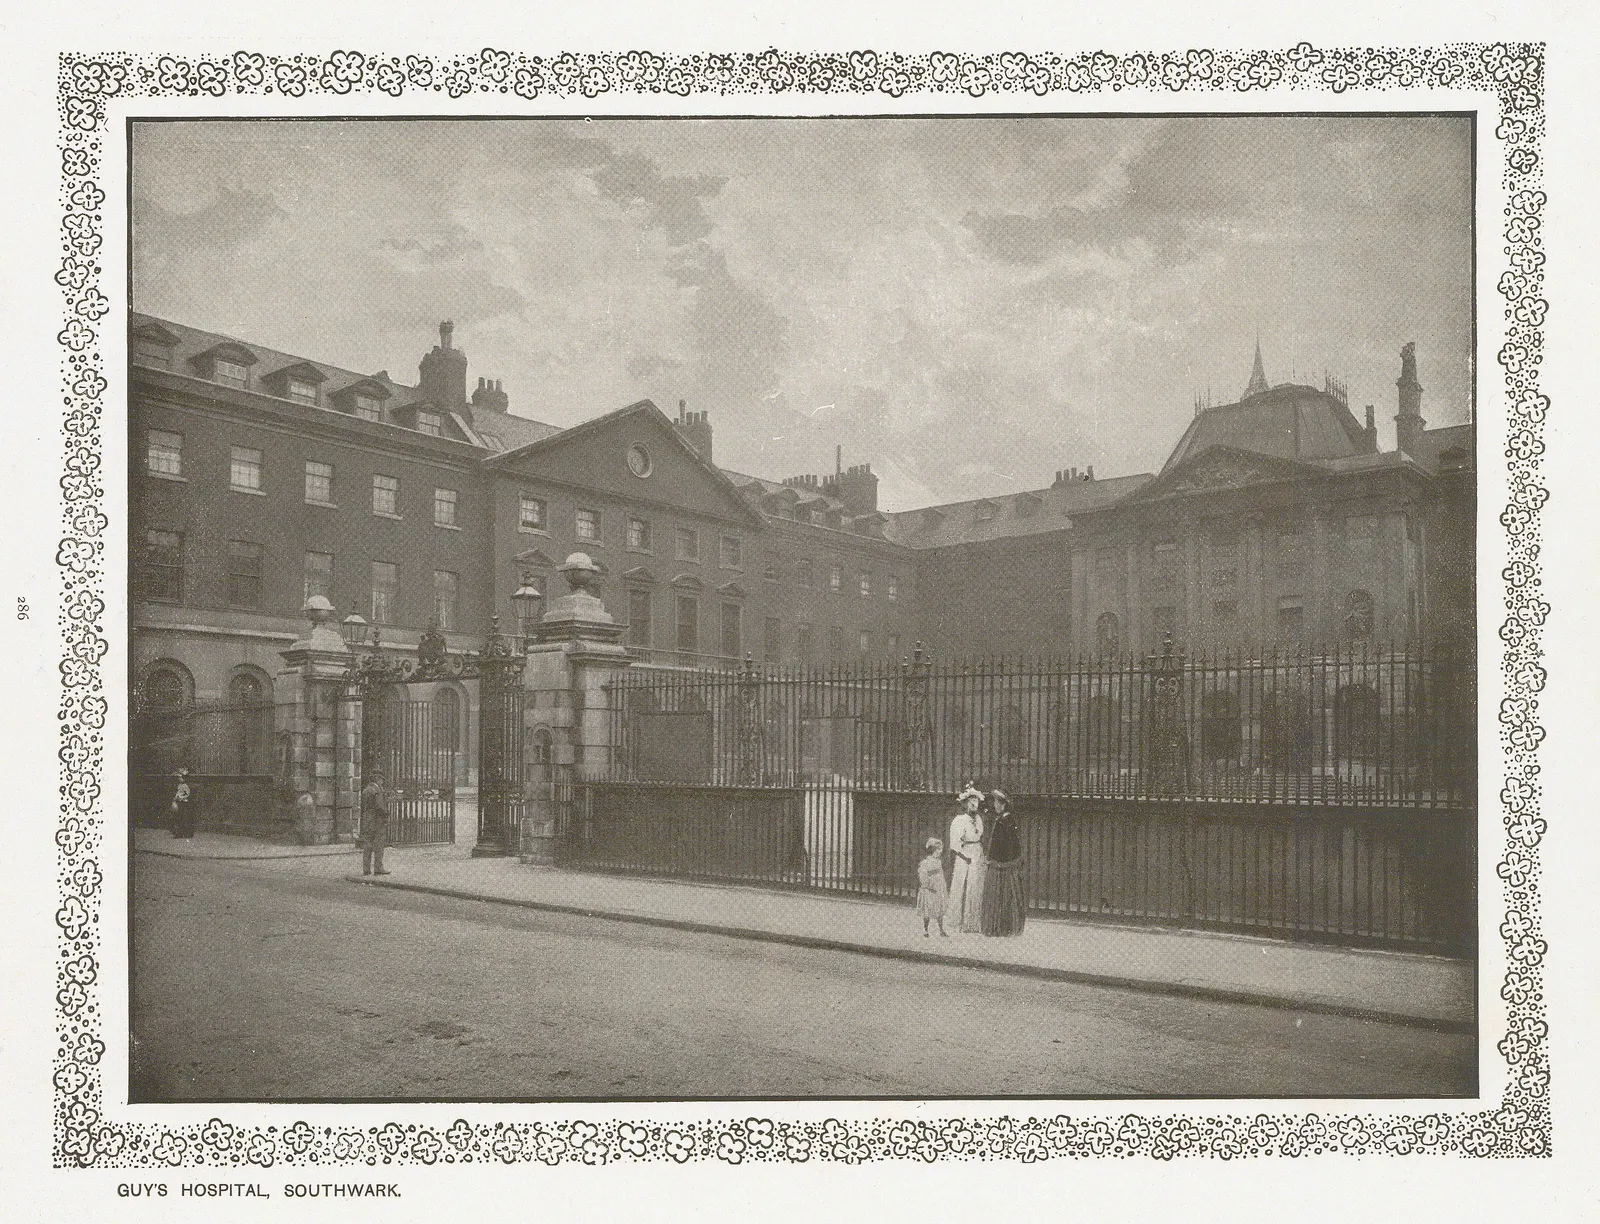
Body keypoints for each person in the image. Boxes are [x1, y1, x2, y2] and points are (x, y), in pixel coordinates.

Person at [979, 787, 1026, 936]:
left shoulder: (1005, 821)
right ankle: (1003, 928)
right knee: (1003, 897)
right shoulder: (1003, 820)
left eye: (997, 802)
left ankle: (1000, 928)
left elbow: (1007, 846)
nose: (994, 805)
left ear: (1003, 804)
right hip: (1002, 865)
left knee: (1001, 897)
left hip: (1002, 867)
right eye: (994, 802)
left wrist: (992, 860)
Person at [945, 783, 986, 933]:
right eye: (971, 802)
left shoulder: (979, 819)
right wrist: (964, 857)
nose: (974, 804)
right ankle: (958, 921)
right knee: (962, 885)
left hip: (977, 853)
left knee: (976, 886)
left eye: (976, 802)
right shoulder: (959, 820)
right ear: (965, 803)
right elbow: (955, 844)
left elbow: (980, 837)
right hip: (965, 854)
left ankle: (973, 922)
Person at [359, 768, 392, 876]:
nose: (382, 781)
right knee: (378, 845)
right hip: (377, 820)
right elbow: (379, 806)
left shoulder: (366, 790)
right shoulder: (377, 790)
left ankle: (366, 869)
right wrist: (386, 814)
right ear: (377, 779)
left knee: (367, 844)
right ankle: (378, 868)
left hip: (367, 820)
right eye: (381, 779)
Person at [915, 837, 948, 937]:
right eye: (937, 849)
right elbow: (923, 876)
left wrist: (942, 888)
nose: (939, 852)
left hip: (938, 889)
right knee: (927, 910)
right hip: (929, 890)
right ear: (932, 850)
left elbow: (940, 876)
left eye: (940, 849)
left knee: (939, 909)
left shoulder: (939, 862)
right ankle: (925, 930)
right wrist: (928, 885)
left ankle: (941, 929)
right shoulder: (925, 863)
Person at [168, 769, 194, 839]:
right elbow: (178, 793)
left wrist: (180, 797)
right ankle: (180, 833)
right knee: (179, 818)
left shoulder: (185, 785)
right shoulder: (180, 785)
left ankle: (186, 833)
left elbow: (187, 793)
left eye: (180, 778)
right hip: (180, 802)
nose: (179, 779)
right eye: (179, 778)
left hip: (184, 803)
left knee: (183, 818)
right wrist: (176, 797)